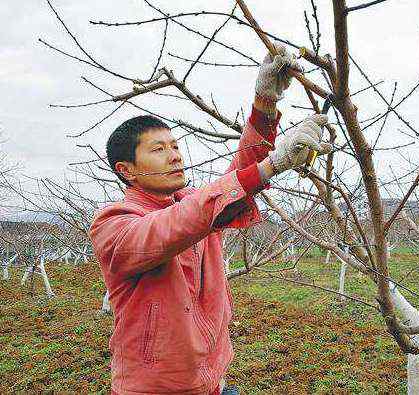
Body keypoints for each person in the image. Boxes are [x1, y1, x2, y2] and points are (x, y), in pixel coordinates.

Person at [89, 45, 332, 395]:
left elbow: (233, 182)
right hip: (154, 388)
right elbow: (173, 226)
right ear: (125, 170)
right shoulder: (113, 224)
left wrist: (264, 106)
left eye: (175, 146)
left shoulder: (194, 205)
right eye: (158, 150)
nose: (174, 156)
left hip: (213, 380)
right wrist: (271, 166)